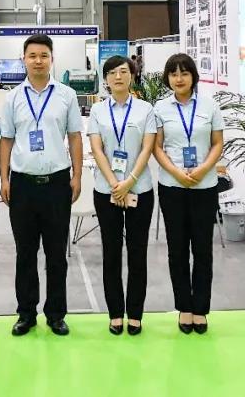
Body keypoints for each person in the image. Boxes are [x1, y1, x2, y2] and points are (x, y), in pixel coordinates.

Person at [0, 34, 83, 337]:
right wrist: (4, 178)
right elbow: (6, 140)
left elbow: (74, 136)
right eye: (32, 56)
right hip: (22, 185)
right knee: (25, 253)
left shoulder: (66, 95)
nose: (38, 61)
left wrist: (77, 176)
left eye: (43, 55)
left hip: (56, 183)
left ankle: (56, 314)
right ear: (24, 59)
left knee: (56, 253)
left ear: (51, 59)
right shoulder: (12, 97)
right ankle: (26, 313)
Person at [152, 52, 224, 335]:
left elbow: (217, 143)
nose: (179, 79)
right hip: (172, 187)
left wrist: (204, 169)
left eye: (184, 73)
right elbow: (157, 147)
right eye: (173, 74)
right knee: (177, 249)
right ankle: (184, 307)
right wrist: (176, 172)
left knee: (203, 249)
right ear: (167, 78)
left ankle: (201, 309)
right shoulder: (160, 108)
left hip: (204, 186)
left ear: (193, 76)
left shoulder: (209, 106)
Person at [87, 55, 157, 336]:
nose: (118, 77)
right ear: (105, 79)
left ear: (132, 75)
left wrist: (129, 181)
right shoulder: (97, 111)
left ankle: (135, 314)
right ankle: (116, 313)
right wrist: (115, 183)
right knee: (111, 253)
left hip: (140, 189)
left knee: (138, 254)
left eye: (124, 71)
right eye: (112, 73)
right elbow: (97, 149)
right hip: (107, 191)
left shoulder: (145, 109)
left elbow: (147, 148)